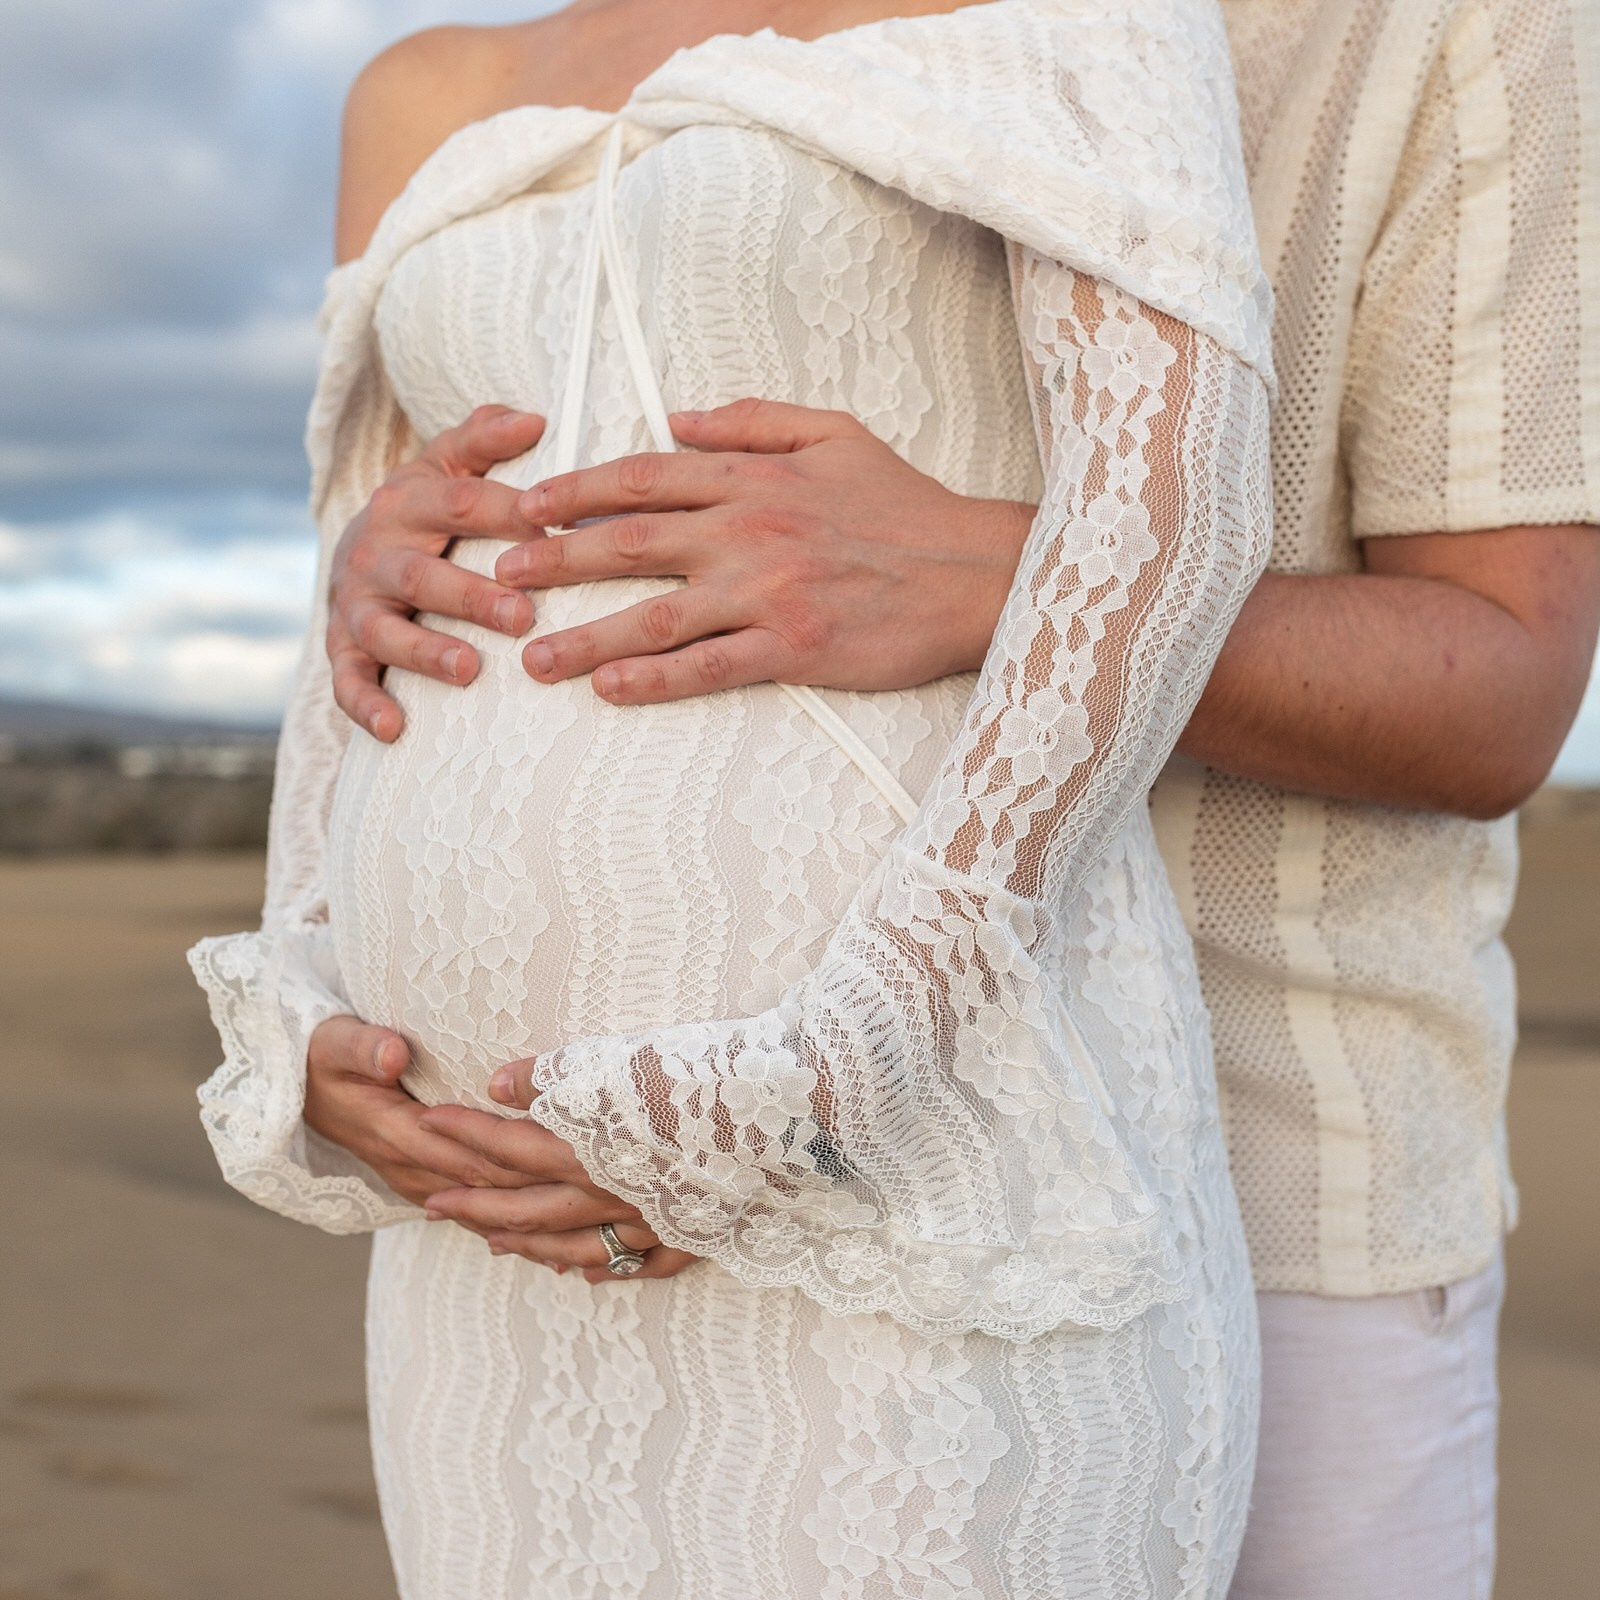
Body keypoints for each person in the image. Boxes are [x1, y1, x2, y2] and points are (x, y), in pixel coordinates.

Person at [305, 1, 1600, 1596]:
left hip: (1278, 1171)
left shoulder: (1452, 23)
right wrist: (382, 572)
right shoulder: (530, 86)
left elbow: (1506, 691)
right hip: (557, 1176)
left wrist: (996, 568)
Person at [190, 1, 1279, 1595]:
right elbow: (364, 602)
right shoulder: (414, 90)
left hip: (924, 1173)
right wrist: (304, 986)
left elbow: (1166, 525)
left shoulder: (1069, 14)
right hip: (488, 1226)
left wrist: (831, 1082)